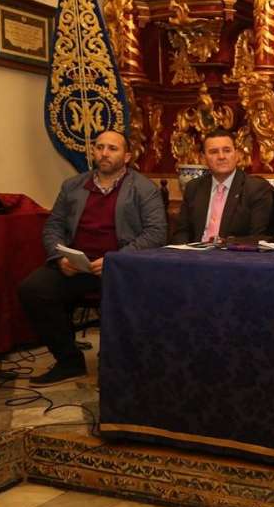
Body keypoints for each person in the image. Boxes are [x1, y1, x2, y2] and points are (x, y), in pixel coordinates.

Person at [18, 130, 167, 386]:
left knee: (119, 295)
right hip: (76, 267)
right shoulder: (72, 186)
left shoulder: (144, 189)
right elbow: (53, 226)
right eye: (99, 147)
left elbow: (156, 233)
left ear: (127, 156)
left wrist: (116, 260)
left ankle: (111, 365)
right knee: (33, 289)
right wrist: (59, 257)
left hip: (119, 269)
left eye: (112, 148)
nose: (104, 153)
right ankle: (69, 361)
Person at [171, 128, 273, 244]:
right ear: (203, 158)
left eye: (227, 151)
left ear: (237, 155)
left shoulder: (256, 189)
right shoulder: (193, 187)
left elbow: (258, 237)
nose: (221, 156)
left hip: (233, 253)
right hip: (195, 252)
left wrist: (222, 245)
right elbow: (182, 232)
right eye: (214, 152)